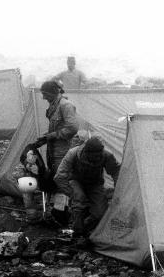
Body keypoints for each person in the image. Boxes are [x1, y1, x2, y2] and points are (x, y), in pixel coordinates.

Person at [54, 137, 120, 240]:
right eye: (93, 156)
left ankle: (86, 226)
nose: (96, 158)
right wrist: (71, 193)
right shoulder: (73, 154)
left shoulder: (106, 155)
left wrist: (118, 190)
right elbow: (59, 177)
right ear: (86, 152)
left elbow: (116, 172)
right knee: (79, 199)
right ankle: (77, 232)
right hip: (76, 181)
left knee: (100, 212)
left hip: (95, 184)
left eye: (98, 156)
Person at [36, 80, 79, 225]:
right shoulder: (54, 106)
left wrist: (52, 136)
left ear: (53, 92)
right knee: (56, 179)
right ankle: (59, 213)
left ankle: (66, 216)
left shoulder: (65, 105)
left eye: (45, 94)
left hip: (63, 151)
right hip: (53, 151)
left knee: (61, 180)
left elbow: (73, 128)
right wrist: (45, 138)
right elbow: (57, 128)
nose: (43, 98)